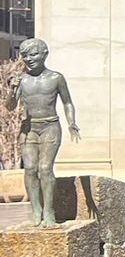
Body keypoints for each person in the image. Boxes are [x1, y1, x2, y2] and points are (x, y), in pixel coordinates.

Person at [8, 38, 81, 228]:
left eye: (33, 54)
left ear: (44, 54)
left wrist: (71, 122)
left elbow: (67, 102)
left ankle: (49, 211)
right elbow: (10, 107)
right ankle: (36, 211)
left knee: (45, 168)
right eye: (25, 55)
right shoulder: (22, 80)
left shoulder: (56, 78)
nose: (29, 59)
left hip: (50, 126)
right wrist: (12, 90)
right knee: (30, 169)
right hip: (29, 129)